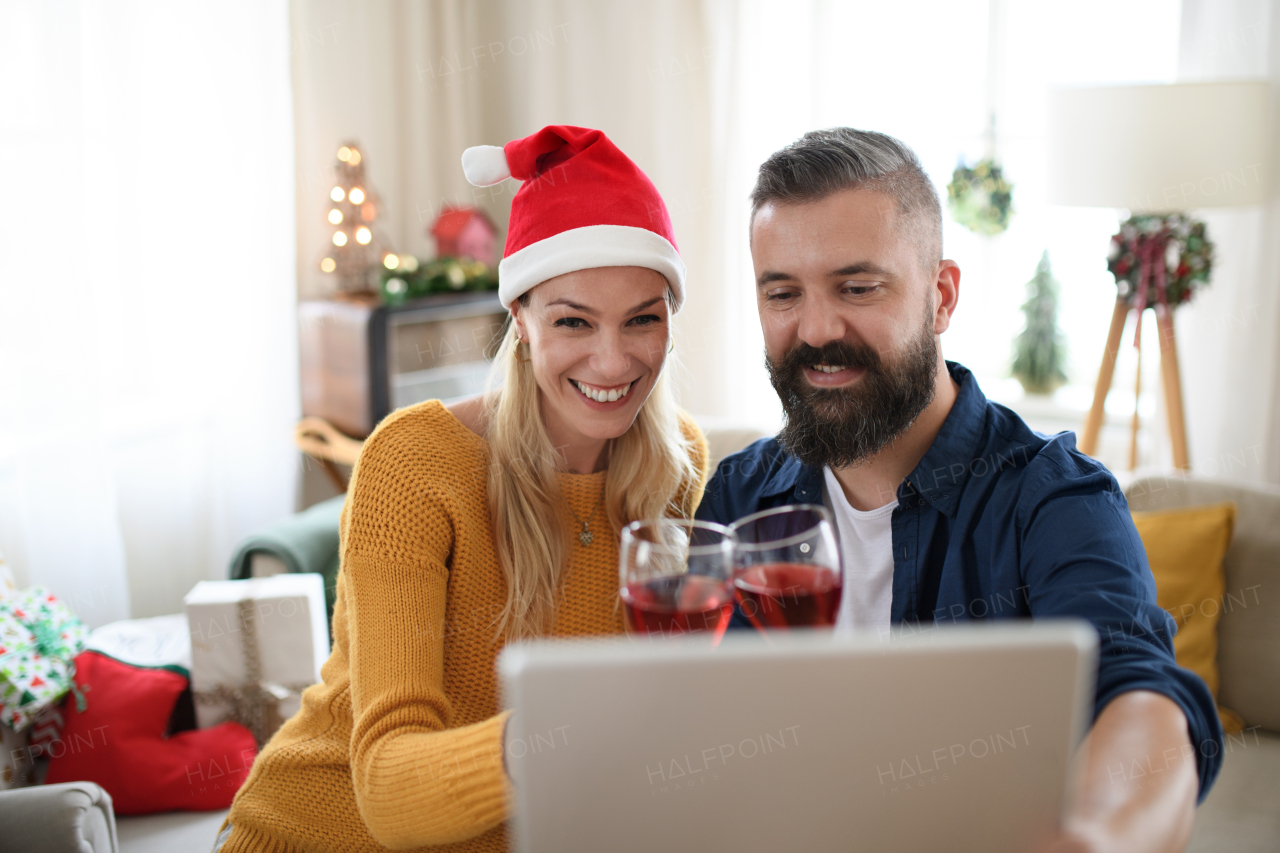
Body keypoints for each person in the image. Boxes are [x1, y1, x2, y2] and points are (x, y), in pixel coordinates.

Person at [695, 128, 1222, 852]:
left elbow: (1142, 699)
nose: (816, 329)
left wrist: (1098, 839)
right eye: (782, 292)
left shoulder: (1055, 500)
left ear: (940, 297)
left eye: (857, 287)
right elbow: (692, 719)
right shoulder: (738, 496)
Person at [214, 126, 709, 853]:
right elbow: (388, 790)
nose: (614, 359)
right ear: (522, 319)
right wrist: (573, 721)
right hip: (322, 831)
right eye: (573, 320)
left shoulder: (679, 464)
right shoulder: (416, 462)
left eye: (643, 319)